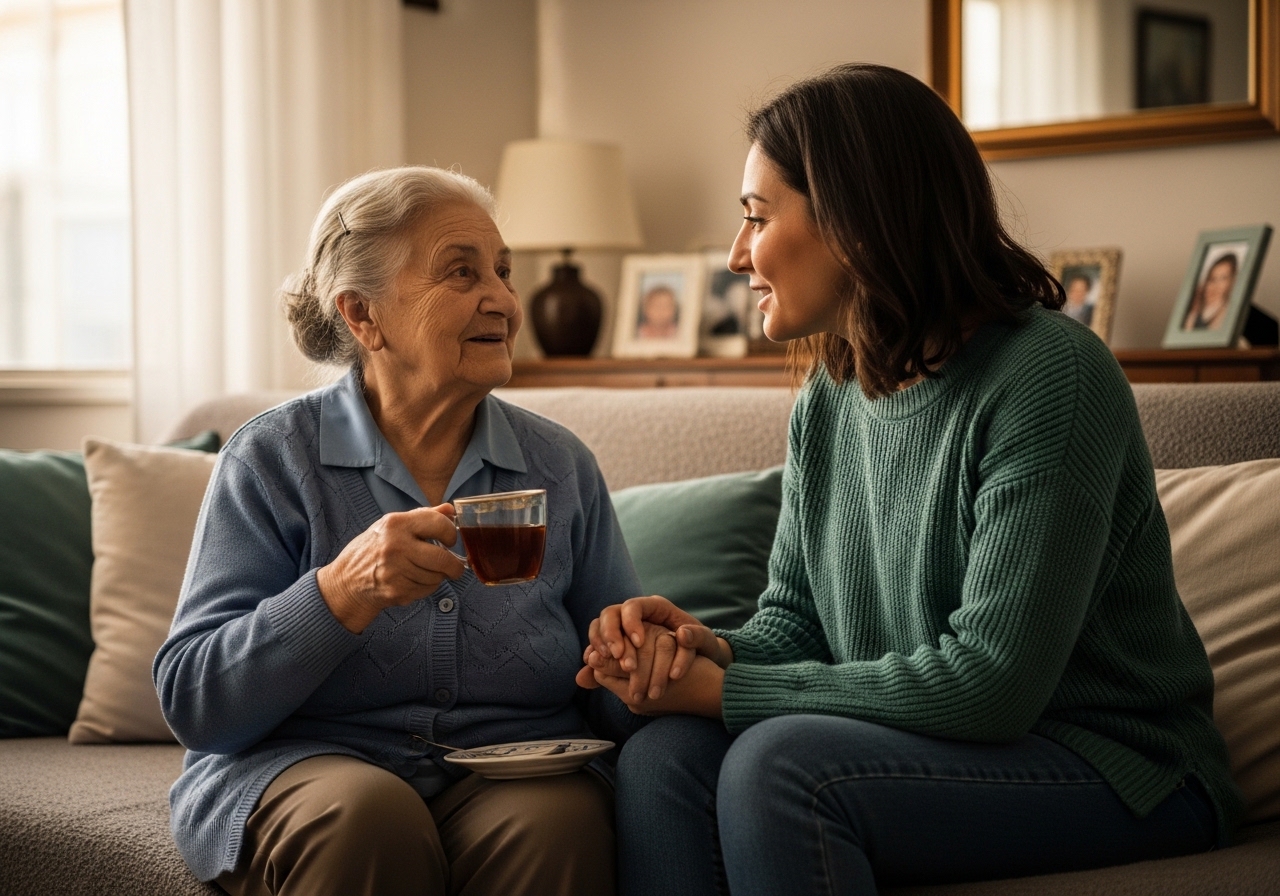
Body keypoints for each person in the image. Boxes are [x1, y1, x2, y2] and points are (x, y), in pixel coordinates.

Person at [575, 64, 1241, 895]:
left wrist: (730, 691)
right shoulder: (832, 390)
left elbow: (991, 685)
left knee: (781, 769)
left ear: (853, 224)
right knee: (666, 758)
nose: (739, 254)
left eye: (756, 217)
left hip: (1117, 763)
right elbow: (799, 625)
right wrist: (706, 651)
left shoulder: (1051, 376)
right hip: (948, 744)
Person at [155, 167, 643, 896]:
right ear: (362, 315)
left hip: (511, 767)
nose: (503, 301)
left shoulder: (559, 465)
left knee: (558, 821)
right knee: (367, 815)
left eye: (504, 272)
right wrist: (340, 592)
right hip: (304, 768)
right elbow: (197, 701)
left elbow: (612, 679)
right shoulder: (271, 459)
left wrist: (635, 658)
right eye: (462, 272)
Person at [1182, 252, 1238, 331]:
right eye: (1212, 279)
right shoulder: (1196, 313)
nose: (1216, 285)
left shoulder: (1229, 313)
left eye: (1223, 278)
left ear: (1233, 281)